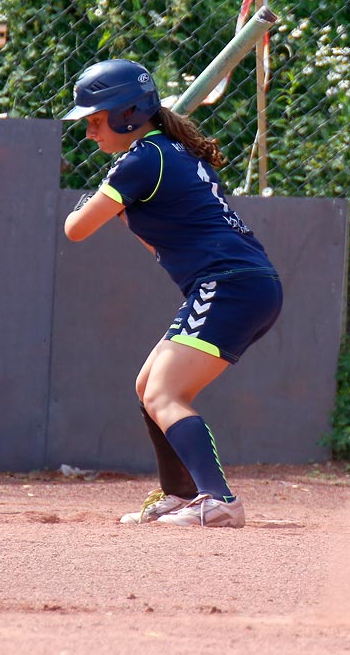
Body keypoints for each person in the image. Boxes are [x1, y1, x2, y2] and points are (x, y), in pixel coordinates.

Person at [62, 58, 283, 528]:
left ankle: (218, 499)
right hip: (237, 283)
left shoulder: (142, 161)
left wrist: (100, 195)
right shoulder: (168, 154)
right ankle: (181, 494)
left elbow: (75, 229)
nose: (89, 133)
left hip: (229, 285)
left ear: (128, 115)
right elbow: (156, 237)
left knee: (165, 392)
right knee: (148, 388)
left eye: (96, 121)